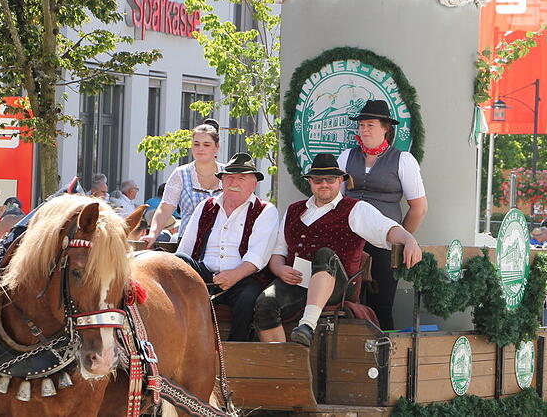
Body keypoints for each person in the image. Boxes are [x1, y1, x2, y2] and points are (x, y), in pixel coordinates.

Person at [254, 154, 423, 346]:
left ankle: (307, 325)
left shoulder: (355, 209)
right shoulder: (294, 210)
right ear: (310, 182)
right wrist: (280, 270)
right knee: (265, 303)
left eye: (330, 179)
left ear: (340, 180)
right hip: (298, 282)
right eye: (318, 179)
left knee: (325, 254)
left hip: (338, 286)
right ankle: (284, 364)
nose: (324, 184)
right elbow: (279, 251)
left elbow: (386, 229)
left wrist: (409, 239)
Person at [336, 100, 427, 331]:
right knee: (344, 303)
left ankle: (385, 361)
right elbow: (336, 201)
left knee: (382, 306)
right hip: (349, 241)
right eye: (361, 125)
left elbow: (419, 208)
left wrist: (398, 242)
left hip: (384, 244)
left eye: (370, 125)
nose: (364, 129)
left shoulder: (403, 160)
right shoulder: (346, 157)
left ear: (386, 128)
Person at [175, 153, 278, 342]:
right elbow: (186, 247)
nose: (234, 183)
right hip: (203, 275)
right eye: (229, 177)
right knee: (179, 261)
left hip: (244, 278)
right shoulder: (205, 207)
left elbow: (258, 255)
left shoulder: (266, 210)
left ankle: (236, 349)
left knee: (248, 299)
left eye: (242, 178)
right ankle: (178, 341)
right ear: (221, 181)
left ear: (254, 184)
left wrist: (234, 275)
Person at [145, 119, 224, 246]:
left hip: (223, 245)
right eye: (196, 144)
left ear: (217, 147)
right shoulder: (181, 174)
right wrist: (153, 234)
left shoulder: (228, 175)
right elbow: (165, 208)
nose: (200, 149)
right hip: (189, 243)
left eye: (207, 145)